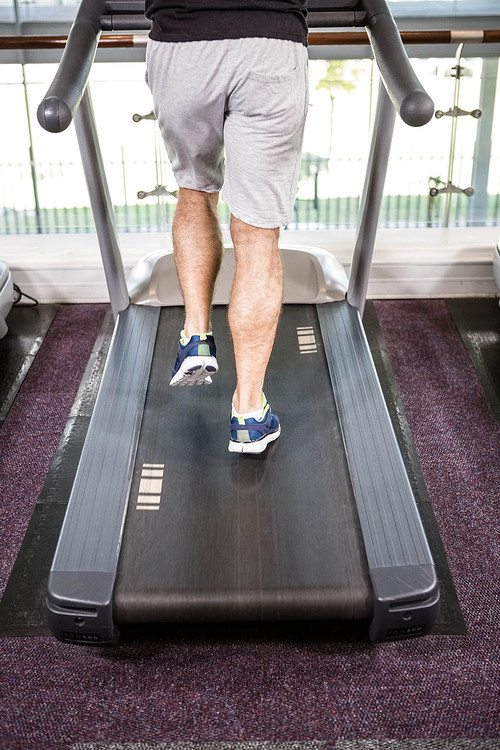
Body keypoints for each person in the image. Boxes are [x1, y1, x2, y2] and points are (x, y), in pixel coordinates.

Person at [145, 0, 309, 454]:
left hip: (181, 46)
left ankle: (196, 336)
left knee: (195, 192)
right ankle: (248, 415)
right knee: (257, 235)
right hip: (270, 43)